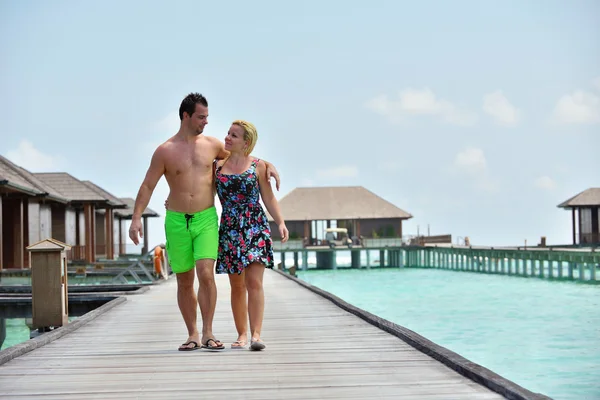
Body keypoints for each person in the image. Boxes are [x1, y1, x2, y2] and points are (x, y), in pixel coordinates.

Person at [128, 92, 281, 352]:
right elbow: (147, 185)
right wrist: (135, 219)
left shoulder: (211, 145)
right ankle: (193, 334)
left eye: (207, 117)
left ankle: (209, 332)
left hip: (207, 218)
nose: (206, 122)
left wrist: (269, 164)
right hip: (176, 221)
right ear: (186, 116)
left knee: (206, 273)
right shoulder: (164, 151)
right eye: (201, 117)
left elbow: (243, 156)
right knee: (184, 280)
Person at [214, 120, 288, 351]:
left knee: (254, 282)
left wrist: (281, 222)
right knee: (237, 287)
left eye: (233, 135)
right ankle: (242, 334)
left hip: (255, 225)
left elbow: (269, 198)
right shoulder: (216, 166)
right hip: (230, 228)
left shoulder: (258, 166)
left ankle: (257, 334)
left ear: (246, 142)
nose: (227, 138)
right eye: (227, 133)